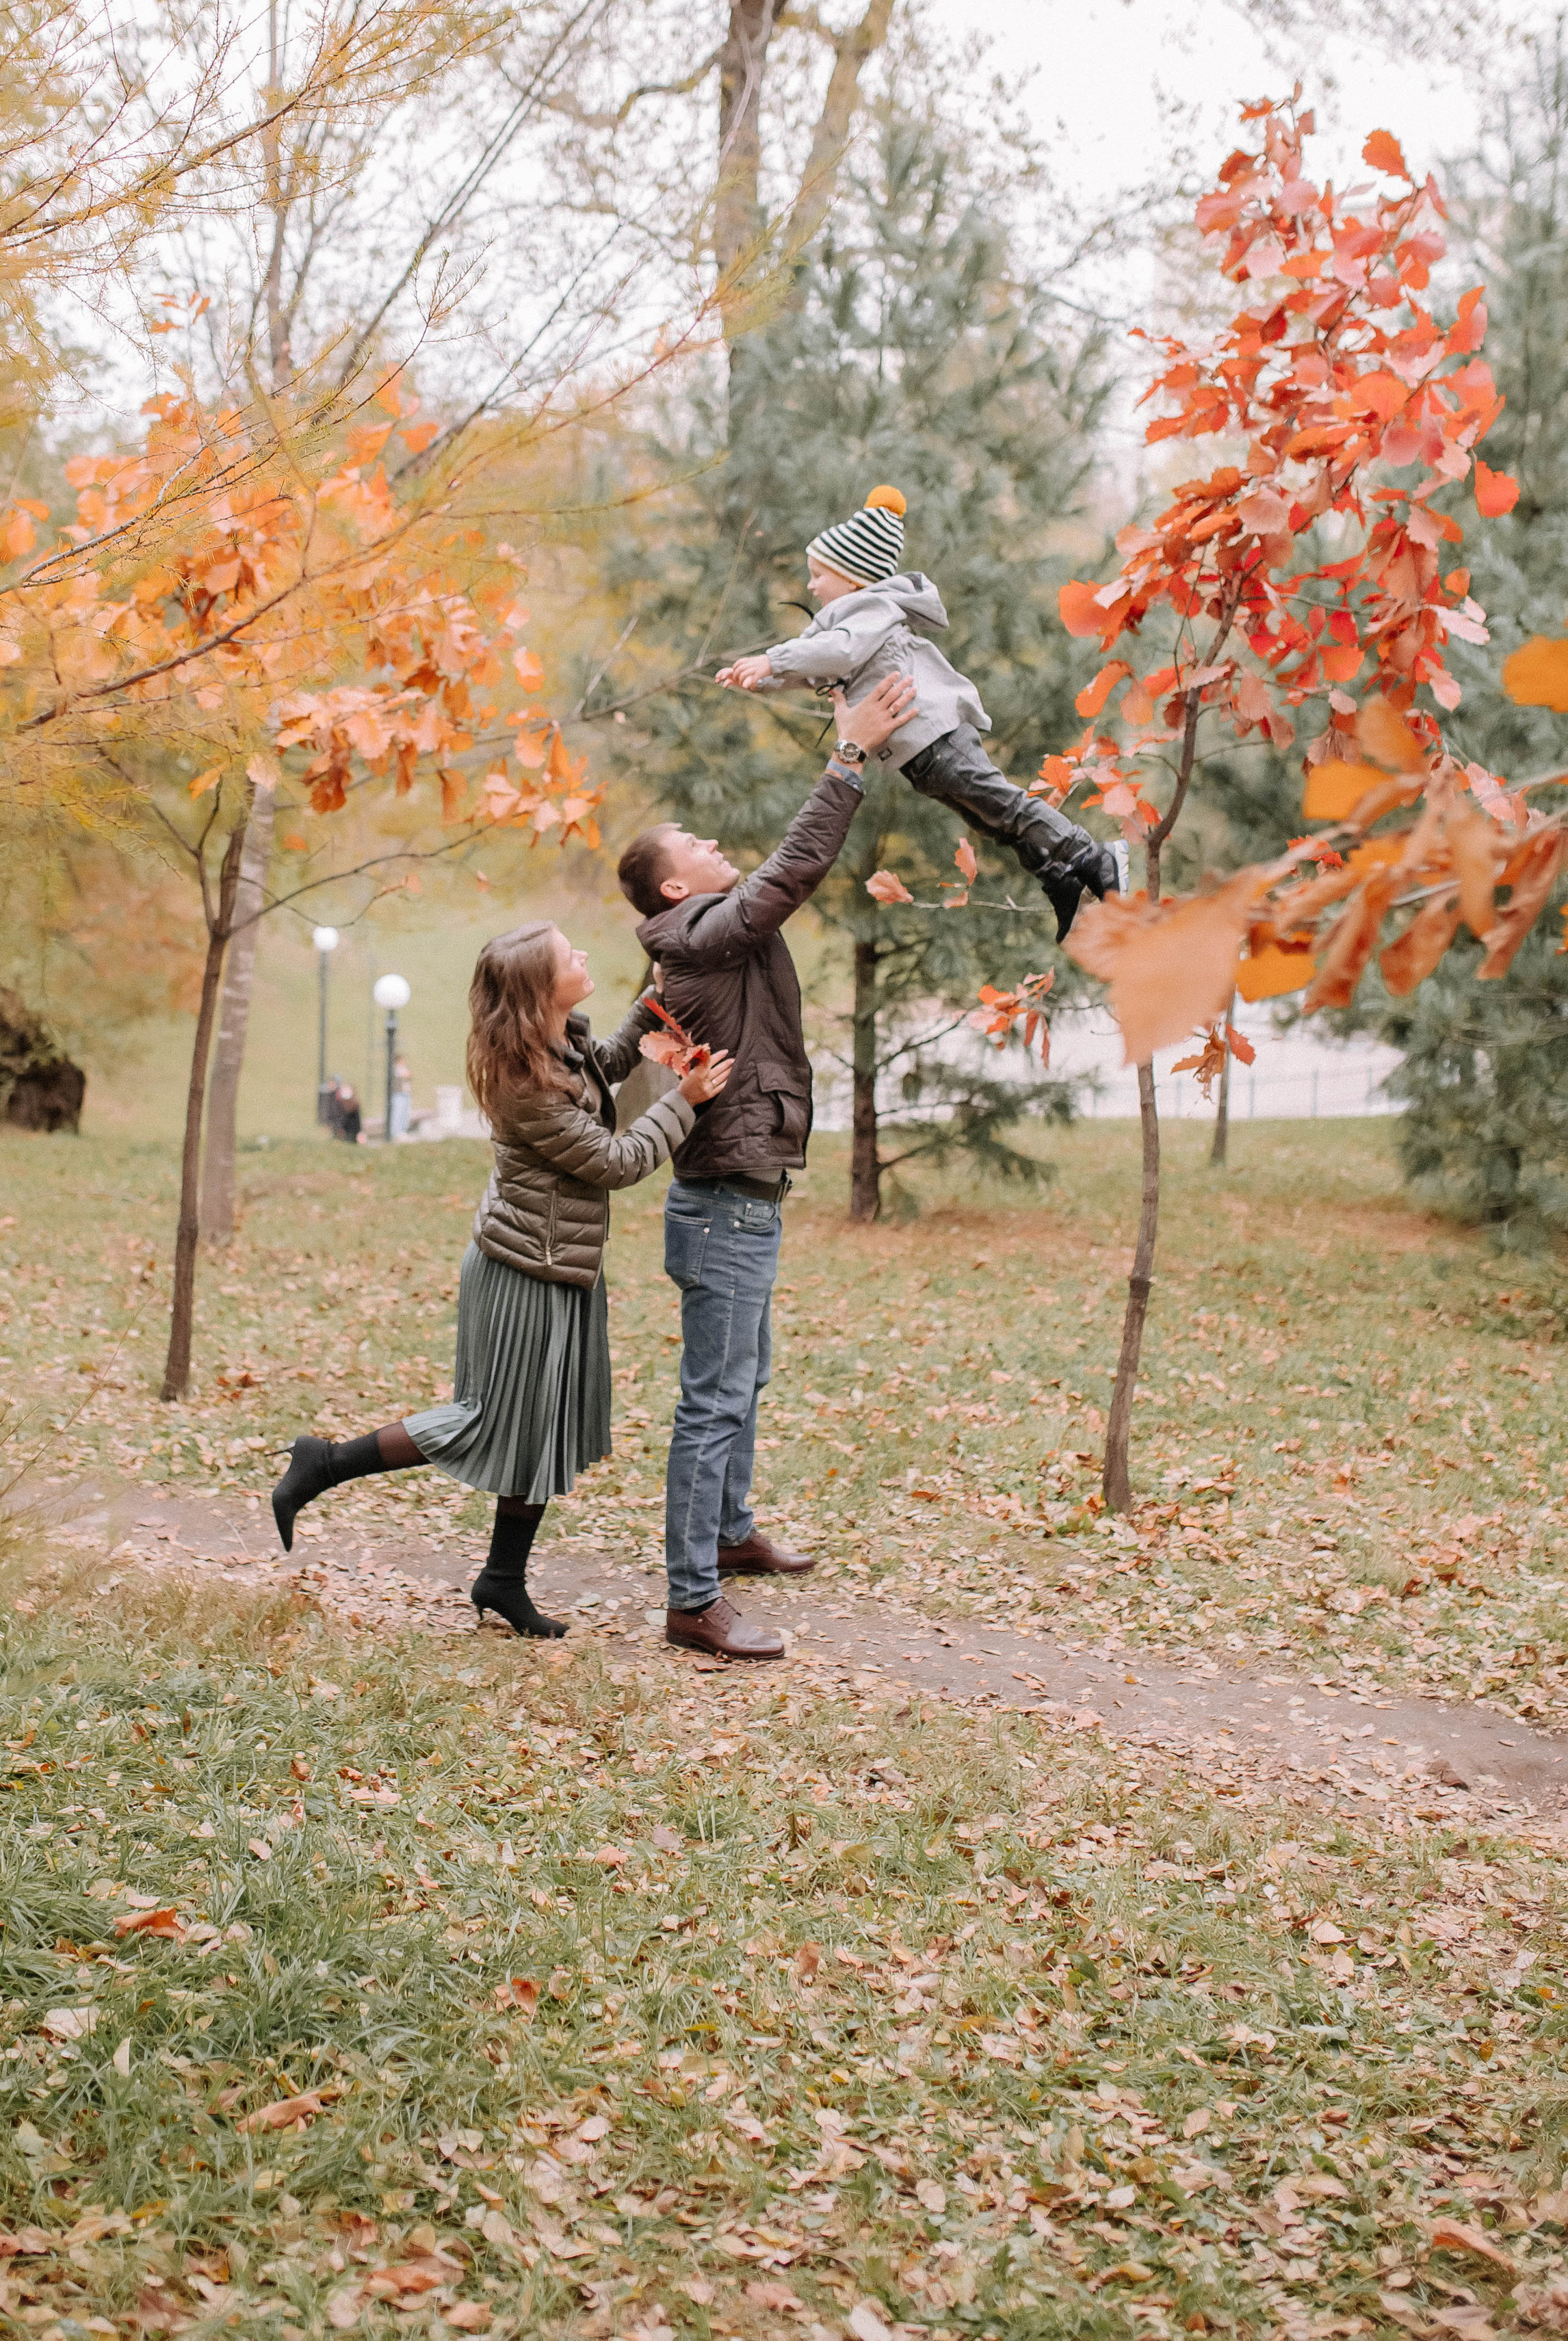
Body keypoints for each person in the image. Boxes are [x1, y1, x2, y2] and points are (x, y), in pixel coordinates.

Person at [271, 924, 732, 1637]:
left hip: (559, 1261)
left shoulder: (557, 1039)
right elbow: (615, 1161)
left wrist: (650, 1003)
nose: (582, 955)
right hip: (524, 1270)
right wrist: (685, 1101)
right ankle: (323, 1463)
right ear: (539, 989)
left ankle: (502, 1580)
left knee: (538, 1430)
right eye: (567, 956)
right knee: (485, 1419)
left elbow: (605, 1062)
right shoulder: (525, 1084)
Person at [615, 675, 919, 1662]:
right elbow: (790, 872)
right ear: (674, 886)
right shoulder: (704, 933)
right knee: (714, 1396)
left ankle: (730, 1534)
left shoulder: (689, 947)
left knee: (745, 1379)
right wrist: (848, 755)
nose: (714, 846)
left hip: (741, 1197)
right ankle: (691, 1600)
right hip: (720, 1207)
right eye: (695, 847)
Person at [716, 483, 1123, 941]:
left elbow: (837, 651)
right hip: (918, 754)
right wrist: (761, 677)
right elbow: (816, 662)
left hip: (937, 737)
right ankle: (1058, 877)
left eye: (818, 575)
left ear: (851, 578)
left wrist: (773, 660)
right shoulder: (844, 621)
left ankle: (1092, 855)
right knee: (991, 820)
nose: (810, 585)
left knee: (1003, 806)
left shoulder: (869, 609)